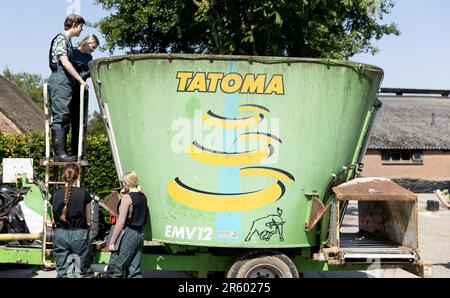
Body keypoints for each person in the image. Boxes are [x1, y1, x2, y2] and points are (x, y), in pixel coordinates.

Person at [48, 14, 88, 162]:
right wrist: (80, 80)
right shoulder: (60, 39)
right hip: (60, 81)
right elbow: (64, 62)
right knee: (61, 115)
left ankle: (62, 153)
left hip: (66, 83)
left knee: (66, 116)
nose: (81, 30)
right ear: (74, 25)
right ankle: (59, 154)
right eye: (81, 27)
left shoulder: (69, 42)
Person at [50, 163, 92, 278]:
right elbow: (88, 218)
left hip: (60, 233)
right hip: (79, 233)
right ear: (78, 177)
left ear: (63, 176)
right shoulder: (84, 193)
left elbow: (53, 219)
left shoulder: (55, 194)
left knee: (62, 271)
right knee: (84, 270)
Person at [107, 171, 149, 278]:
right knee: (134, 270)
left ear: (126, 183)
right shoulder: (143, 197)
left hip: (128, 234)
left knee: (116, 268)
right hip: (140, 234)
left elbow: (121, 222)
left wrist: (112, 242)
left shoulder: (127, 198)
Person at [70, 35, 100, 158]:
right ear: (88, 42)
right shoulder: (71, 51)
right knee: (66, 120)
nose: (93, 50)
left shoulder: (89, 57)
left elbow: (86, 74)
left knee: (79, 121)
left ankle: (76, 151)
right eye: (92, 47)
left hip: (81, 90)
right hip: (70, 87)